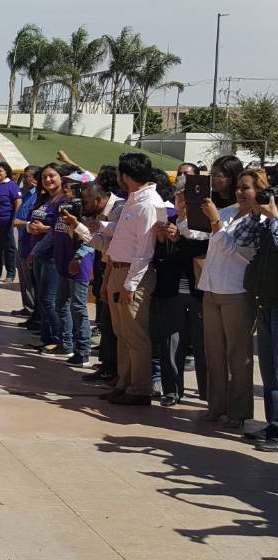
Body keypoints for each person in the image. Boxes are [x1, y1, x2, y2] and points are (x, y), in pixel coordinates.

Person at [193, 169, 268, 429]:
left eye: (246, 188)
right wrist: (184, 212)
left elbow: (232, 248)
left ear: (259, 191)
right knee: (213, 352)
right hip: (211, 288)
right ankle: (216, 406)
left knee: (238, 354)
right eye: (238, 187)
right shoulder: (227, 212)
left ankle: (239, 410)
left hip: (236, 292)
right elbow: (198, 233)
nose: (240, 192)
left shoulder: (260, 220)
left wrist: (215, 221)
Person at [99, 153, 165, 406]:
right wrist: (101, 227)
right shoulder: (133, 199)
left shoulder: (148, 203)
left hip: (133, 274)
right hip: (119, 269)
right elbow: (125, 233)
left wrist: (131, 285)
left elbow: (144, 250)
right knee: (122, 333)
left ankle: (140, 389)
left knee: (136, 335)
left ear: (125, 176)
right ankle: (124, 383)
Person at [152, 192, 207, 406]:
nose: (183, 202)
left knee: (203, 345)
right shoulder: (169, 222)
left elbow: (201, 251)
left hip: (198, 292)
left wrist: (178, 239)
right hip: (171, 291)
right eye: (180, 198)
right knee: (171, 343)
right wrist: (160, 240)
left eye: (187, 197)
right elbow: (160, 259)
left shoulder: (205, 224)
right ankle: (172, 390)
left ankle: (208, 393)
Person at [72, 179, 124, 385]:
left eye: (86, 202)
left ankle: (115, 370)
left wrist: (80, 228)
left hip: (119, 270)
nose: (84, 206)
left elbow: (108, 247)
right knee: (106, 321)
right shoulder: (102, 213)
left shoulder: (118, 211)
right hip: (108, 268)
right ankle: (107, 365)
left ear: (98, 199)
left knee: (114, 325)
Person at [244, 190, 278, 451]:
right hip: (266, 299)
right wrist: (257, 215)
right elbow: (242, 240)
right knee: (268, 369)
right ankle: (273, 424)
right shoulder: (268, 223)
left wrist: (275, 219)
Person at [26, 163, 70, 355]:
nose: (48, 180)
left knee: (50, 300)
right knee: (42, 299)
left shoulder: (64, 201)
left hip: (54, 256)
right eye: (44, 177)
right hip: (38, 254)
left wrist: (45, 229)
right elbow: (31, 218)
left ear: (61, 177)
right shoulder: (43, 199)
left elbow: (63, 227)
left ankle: (60, 340)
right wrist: (31, 227)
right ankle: (46, 339)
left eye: (52, 176)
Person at [55, 179, 97, 367]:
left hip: (80, 265)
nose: (65, 191)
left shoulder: (85, 214)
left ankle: (83, 350)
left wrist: (78, 256)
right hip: (65, 264)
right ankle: (67, 344)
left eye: (69, 189)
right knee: (62, 304)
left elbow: (90, 240)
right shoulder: (65, 210)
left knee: (78, 308)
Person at [12, 166, 40, 319]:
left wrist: (22, 223)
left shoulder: (37, 196)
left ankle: (34, 311)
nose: (23, 179)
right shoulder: (23, 193)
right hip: (21, 239)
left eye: (27, 176)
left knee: (31, 278)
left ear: (35, 179)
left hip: (31, 242)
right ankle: (28, 307)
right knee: (24, 277)